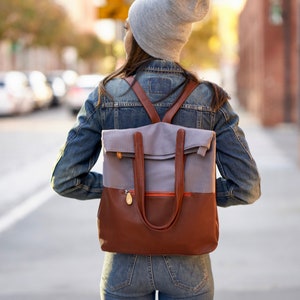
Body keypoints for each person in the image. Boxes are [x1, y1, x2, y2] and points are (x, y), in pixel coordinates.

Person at [51, 0, 261, 299]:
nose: (125, 36)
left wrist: (122, 190)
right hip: (189, 263)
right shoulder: (211, 99)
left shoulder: (105, 95)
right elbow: (247, 188)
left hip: (125, 262)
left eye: (128, 29)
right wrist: (192, 194)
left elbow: (65, 179)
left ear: (141, 38)